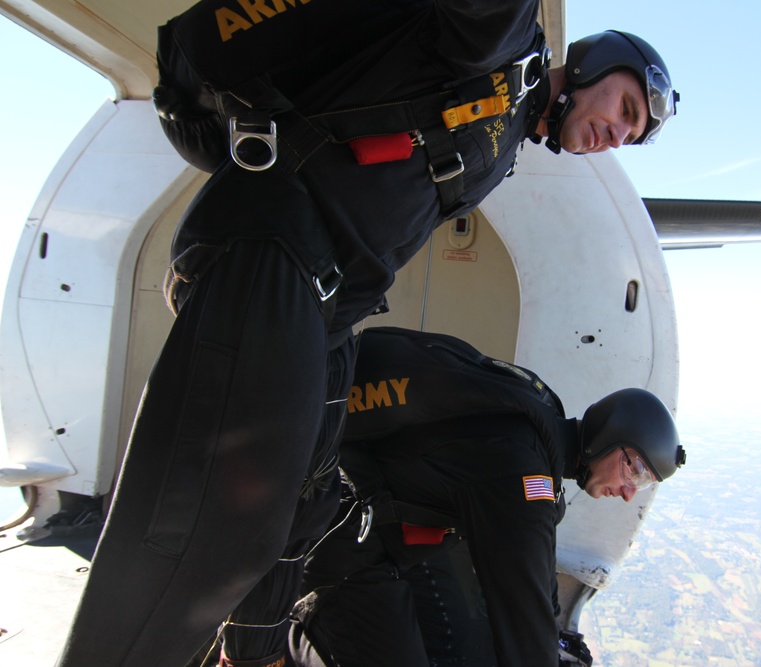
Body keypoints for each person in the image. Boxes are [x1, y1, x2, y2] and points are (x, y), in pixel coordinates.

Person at [55, 3, 679, 664]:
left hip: (325, 313)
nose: (618, 135)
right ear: (592, 66)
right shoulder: (497, 40)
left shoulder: (506, 136)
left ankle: (252, 654)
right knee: (192, 536)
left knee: (296, 503)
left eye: (631, 137)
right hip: (271, 249)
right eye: (627, 111)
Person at [286, 326, 686, 667]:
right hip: (340, 533)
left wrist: (553, 641)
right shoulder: (522, 473)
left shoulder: (537, 421)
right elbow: (521, 614)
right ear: (610, 437)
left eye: (645, 481)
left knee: (457, 634)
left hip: (368, 515)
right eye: (633, 467)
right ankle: (287, 638)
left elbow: (536, 570)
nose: (631, 491)